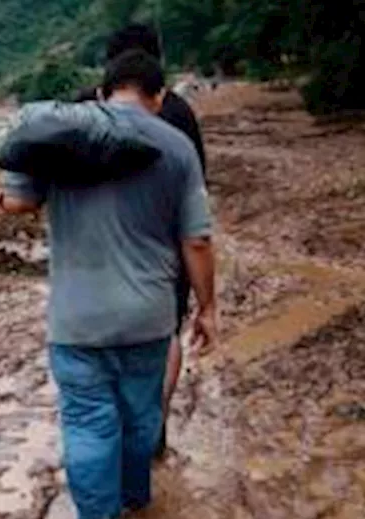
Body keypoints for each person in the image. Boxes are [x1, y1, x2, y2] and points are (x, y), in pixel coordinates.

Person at [0, 50, 217, 519]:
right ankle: (135, 501)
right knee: (140, 417)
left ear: (104, 91)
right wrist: (207, 307)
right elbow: (198, 241)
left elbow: (16, 200)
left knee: (88, 425)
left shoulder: (64, 140)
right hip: (148, 316)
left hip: (77, 319)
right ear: (159, 97)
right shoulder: (176, 146)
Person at [72, 23, 207, 461]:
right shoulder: (178, 111)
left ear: (108, 68)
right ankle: (153, 425)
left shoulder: (80, 108)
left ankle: (108, 434)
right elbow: (196, 195)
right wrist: (209, 303)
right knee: (165, 334)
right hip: (164, 250)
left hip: (94, 253)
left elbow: (37, 167)